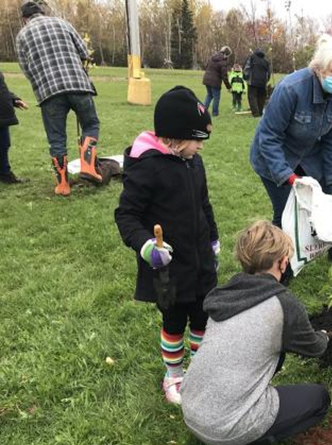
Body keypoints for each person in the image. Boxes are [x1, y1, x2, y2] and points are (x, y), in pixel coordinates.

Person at [181, 220, 332, 445]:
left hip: (192, 410)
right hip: (226, 427)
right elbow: (314, 348)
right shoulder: (284, 304)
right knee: (319, 398)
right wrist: (326, 335)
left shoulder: (223, 295)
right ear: (282, 262)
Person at [114, 86, 220, 405]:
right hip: (169, 270)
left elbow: (204, 204)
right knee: (174, 322)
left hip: (200, 262)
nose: (201, 146)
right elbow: (126, 215)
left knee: (203, 317)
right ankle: (173, 374)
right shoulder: (147, 167)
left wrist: (212, 238)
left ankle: (199, 368)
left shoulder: (193, 163)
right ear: (175, 137)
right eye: (197, 139)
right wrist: (147, 247)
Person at [250, 34, 332, 284]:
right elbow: (268, 137)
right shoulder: (290, 89)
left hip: (308, 156)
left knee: (330, 200)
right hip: (272, 158)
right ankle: (279, 266)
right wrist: (285, 175)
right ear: (320, 68)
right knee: (286, 211)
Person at [15, 1, 103, 196]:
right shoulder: (62, 23)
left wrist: (40, 82)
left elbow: (25, 67)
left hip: (49, 93)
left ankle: (63, 184)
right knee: (90, 124)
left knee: (56, 138)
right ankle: (88, 166)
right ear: (42, 12)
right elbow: (84, 52)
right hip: (78, 85)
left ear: (24, 19)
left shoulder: (22, 36)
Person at [0, 70, 29, 184]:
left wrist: (14, 100)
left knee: (3, 144)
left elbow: (2, 89)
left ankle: (5, 174)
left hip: (2, 114)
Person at [202, 46, 231, 117]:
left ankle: (202, 111)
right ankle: (215, 113)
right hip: (215, 82)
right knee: (216, 98)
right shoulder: (223, 61)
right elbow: (224, 76)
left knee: (209, 95)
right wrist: (228, 87)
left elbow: (206, 66)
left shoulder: (212, 57)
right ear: (226, 54)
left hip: (206, 79)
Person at [243, 48, 271, 117]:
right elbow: (268, 73)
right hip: (262, 83)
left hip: (253, 81)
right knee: (261, 97)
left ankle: (255, 113)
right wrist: (266, 81)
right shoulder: (265, 61)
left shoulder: (252, 57)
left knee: (252, 97)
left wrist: (245, 76)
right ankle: (260, 112)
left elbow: (247, 67)